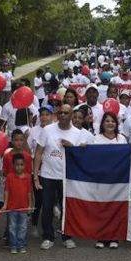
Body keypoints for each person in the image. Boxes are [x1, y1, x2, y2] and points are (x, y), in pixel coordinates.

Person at [33, 104, 92, 250]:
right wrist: (35, 175)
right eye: (60, 112)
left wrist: (74, 147)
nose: (63, 115)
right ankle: (48, 236)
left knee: (67, 207)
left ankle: (67, 236)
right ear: (57, 114)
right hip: (48, 175)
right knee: (47, 207)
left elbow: (80, 157)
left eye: (66, 113)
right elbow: (39, 152)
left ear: (72, 115)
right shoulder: (47, 130)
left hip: (67, 177)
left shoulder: (77, 133)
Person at [27, 105, 53, 236]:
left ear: (52, 116)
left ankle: (48, 227)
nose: (44, 117)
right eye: (42, 114)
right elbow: (27, 149)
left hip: (50, 169)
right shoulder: (33, 131)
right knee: (38, 199)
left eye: (47, 114)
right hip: (36, 169)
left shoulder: (54, 130)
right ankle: (34, 225)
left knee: (48, 199)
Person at [0, 154, 34, 254]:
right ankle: (13, 245)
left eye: (21, 164)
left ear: (25, 165)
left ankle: (21, 245)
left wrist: (30, 205)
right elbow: (7, 191)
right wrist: (5, 205)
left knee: (23, 227)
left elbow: (29, 192)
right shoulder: (9, 177)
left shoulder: (28, 177)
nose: (19, 167)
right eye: (17, 165)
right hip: (12, 208)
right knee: (12, 227)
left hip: (23, 208)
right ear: (13, 165)